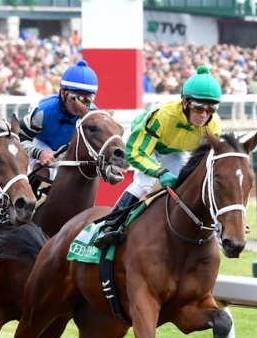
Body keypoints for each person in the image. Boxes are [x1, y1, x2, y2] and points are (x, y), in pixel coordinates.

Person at [92, 66, 223, 249]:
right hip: (142, 144)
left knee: (180, 180)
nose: (203, 115)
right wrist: (160, 172)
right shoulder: (163, 116)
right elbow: (137, 153)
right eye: (198, 107)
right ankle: (109, 227)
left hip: (173, 150)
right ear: (185, 102)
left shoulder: (213, 126)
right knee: (145, 182)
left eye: (211, 109)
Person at [18, 59, 98, 171]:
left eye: (87, 99)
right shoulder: (43, 110)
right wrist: (39, 153)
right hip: (40, 144)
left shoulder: (93, 116)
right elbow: (19, 139)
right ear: (62, 93)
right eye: (74, 98)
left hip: (70, 152)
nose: (80, 104)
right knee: (44, 171)